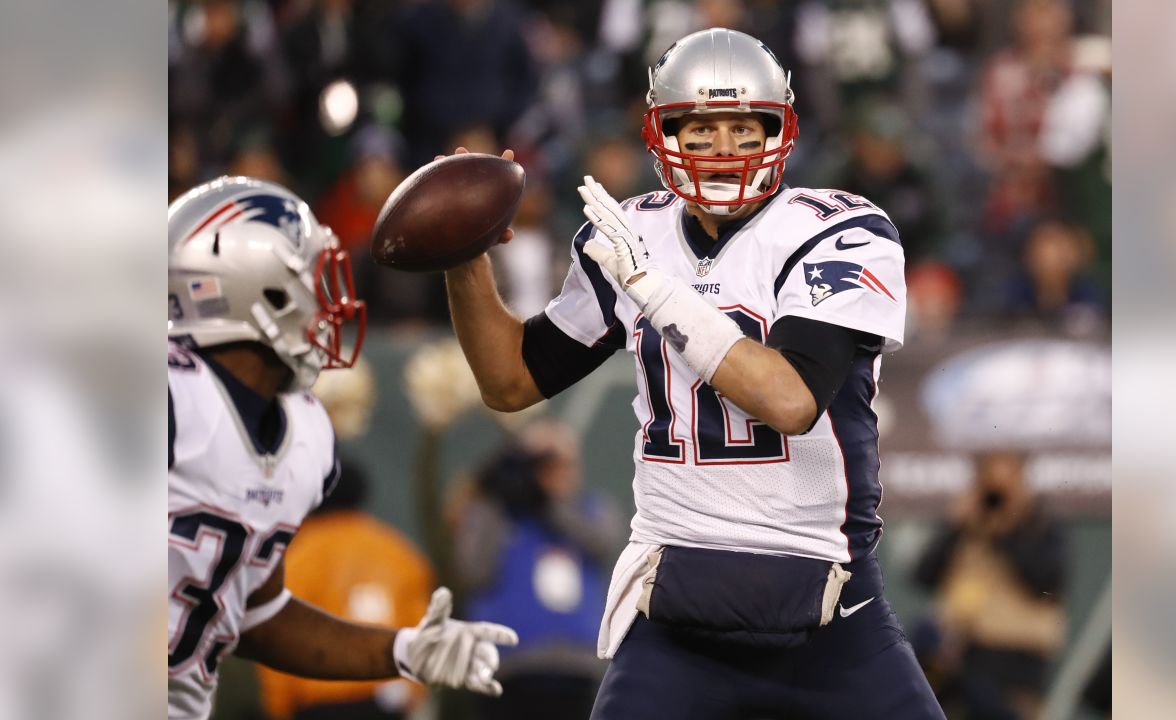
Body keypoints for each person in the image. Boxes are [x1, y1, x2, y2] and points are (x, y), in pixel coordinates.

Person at [443, 28, 943, 720]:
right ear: (661, 132)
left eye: (745, 127)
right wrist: (463, 255)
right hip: (676, 618)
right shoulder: (628, 233)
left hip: (833, 618)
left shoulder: (839, 230)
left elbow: (791, 399)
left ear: (782, 129)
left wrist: (655, 291)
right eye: (700, 129)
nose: (724, 148)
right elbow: (510, 382)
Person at [167, 176, 518, 720]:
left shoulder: (301, 433)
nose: (327, 301)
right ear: (254, 288)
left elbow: (257, 613)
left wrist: (401, 650)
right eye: (309, 278)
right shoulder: (171, 395)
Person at [455, 420, 625, 720]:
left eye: (559, 462)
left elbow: (602, 541)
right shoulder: (495, 513)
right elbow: (472, 572)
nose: (552, 473)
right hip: (505, 666)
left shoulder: (590, 509)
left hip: (573, 667)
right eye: (540, 464)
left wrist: (547, 502)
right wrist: (498, 499)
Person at [255, 458, 437, 720]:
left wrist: (279, 705)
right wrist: (413, 693)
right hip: (383, 700)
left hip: (318, 702)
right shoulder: (399, 552)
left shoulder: (296, 558)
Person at [912, 451, 1068, 719]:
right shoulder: (967, 526)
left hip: (1015, 655)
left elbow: (1046, 581)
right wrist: (955, 526)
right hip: (960, 651)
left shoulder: (1041, 526)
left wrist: (1005, 533)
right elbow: (923, 576)